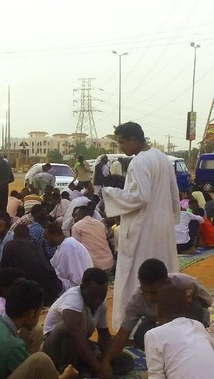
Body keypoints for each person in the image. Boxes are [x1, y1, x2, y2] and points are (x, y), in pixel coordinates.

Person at [101, 122, 180, 329]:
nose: (120, 147)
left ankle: (132, 326)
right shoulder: (161, 157)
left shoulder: (139, 162)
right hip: (161, 225)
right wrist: (169, 218)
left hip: (144, 230)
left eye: (121, 142)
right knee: (162, 273)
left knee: (136, 276)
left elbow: (140, 197)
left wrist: (110, 194)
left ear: (134, 139)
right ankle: (166, 318)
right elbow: (174, 193)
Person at [101, 259, 212, 372]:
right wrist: (107, 361)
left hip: (187, 323)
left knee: (196, 307)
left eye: (155, 292)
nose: (149, 297)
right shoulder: (136, 300)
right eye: (145, 291)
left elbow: (207, 302)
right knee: (141, 336)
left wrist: (186, 300)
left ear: (167, 282)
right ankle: (167, 355)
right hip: (158, 324)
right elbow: (123, 334)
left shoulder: (184, 283)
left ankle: (191, 349)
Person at [0, 280, 77, 379]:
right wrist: (66, 376)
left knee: (35, 332)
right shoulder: (12, 345)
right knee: (42, 361)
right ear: (32, 313)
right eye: (40, 311)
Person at [42, 268, 133, 378]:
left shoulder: (101, 305)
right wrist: (98, 368)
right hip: (55, 348)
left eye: (101, 297)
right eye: (93, 297)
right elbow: (73, 331)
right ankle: (66, 372)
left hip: (79, 346)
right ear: (82, 287)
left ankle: (82, 369)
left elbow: (103, 335)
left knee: (125, 361)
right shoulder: (73, 298)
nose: (97, 301)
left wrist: (106, 361)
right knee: (67, 330)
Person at [144, 283, 214, 379]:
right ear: (186, 307)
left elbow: (156, 376)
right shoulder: (197, 325)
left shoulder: (153, 335)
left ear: (158, 309)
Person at [2, 224, 63, 305]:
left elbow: (4, 273)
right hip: (50, 290)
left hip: (31, 293)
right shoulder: (37, 248)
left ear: (14, 236)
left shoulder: (10, 245)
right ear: (29, 237)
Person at [45, 222, 93, 292]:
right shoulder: (64, 245)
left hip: (78, 286)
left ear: (54, 235)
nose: (47, 241)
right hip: (78, 283)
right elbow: (52, 263)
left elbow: (69, 275)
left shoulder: (67, 246)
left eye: (47, 238)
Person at [71, 207, 113, 272]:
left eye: (76, 215)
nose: (74, 218)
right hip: (108, 261)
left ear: (82, 214)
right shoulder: (100, 223)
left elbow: (76, 247)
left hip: (92, 264)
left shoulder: (76, 226)